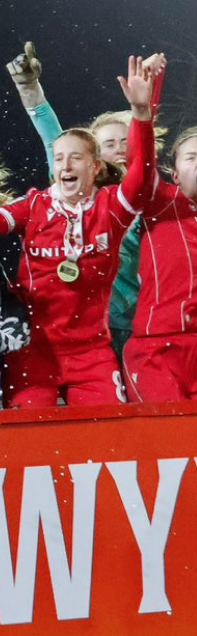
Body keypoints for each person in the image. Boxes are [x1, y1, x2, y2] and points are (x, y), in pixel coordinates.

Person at [0, 55, 161, 408]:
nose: (65, 166)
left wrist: (143, 112)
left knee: (111, 438)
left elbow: (142, 174)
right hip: (33, 351)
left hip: (93, 353)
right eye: (58, 159)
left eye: (76, 158)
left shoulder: (112, 208)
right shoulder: (34, 205)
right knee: (31, 438)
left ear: (96, 167)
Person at [8, 48, 164, 359]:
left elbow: (143, 138)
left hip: (140, 320)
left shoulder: (144, 192)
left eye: (124, 141)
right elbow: (51, 135)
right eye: (109, 144)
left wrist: (151, 84)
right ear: (92, 156)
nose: (120, 149)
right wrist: (29, 89)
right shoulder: (70, 189)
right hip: (86, 326)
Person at [117, 66, 194, 401]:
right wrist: (143, 110)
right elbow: (140, 163)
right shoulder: (161, 201)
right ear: (174, 174)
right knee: (171, 445)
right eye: (193, 157)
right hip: (156, 350)